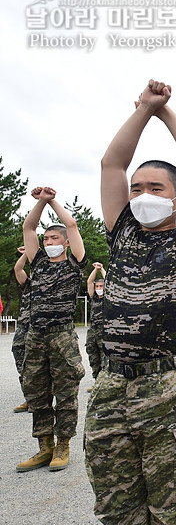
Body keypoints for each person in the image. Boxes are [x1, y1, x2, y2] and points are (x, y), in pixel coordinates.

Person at [85, 79, 176, 525]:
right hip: (110, 389)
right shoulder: (123, 234)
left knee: (171, 523)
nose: (142, 194)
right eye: (137, 188)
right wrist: (140, 111)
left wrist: (162, 112)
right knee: (121, 518)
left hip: (169, 390)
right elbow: (112, 164)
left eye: (155, 188)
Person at [16, 187, 86, 474]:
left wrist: (52, 200)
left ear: (66, 243)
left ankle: (63, 445)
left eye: (54, 238)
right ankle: (44, 446)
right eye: (46, 239)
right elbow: (28, 226)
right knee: (36, 391)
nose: (48, 242)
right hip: (36, 335)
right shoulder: (39, 263)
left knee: (65, 393)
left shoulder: (74, 265)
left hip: (61, 337)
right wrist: (39, 203)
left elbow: (71, 224)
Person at [11, 247, 31, 414]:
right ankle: (29, 398)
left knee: (39, 365)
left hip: (40, 327)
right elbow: (18, 269)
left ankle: (41, 401)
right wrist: (26, 253)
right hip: (24, 326)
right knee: (21, 360)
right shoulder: (29, 284)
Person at [85, 262, 106, 390]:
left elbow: (108, 279)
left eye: (101, 286)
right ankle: (97, 381)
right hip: (93, 330)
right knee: (93, 356)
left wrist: (102, 269)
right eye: (97, 286)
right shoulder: (93, 297)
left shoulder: (108, 297)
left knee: (105, 357)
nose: (98, 287)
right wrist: (95, 270)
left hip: (104, 330)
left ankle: (104, 383)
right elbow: (89, 282)